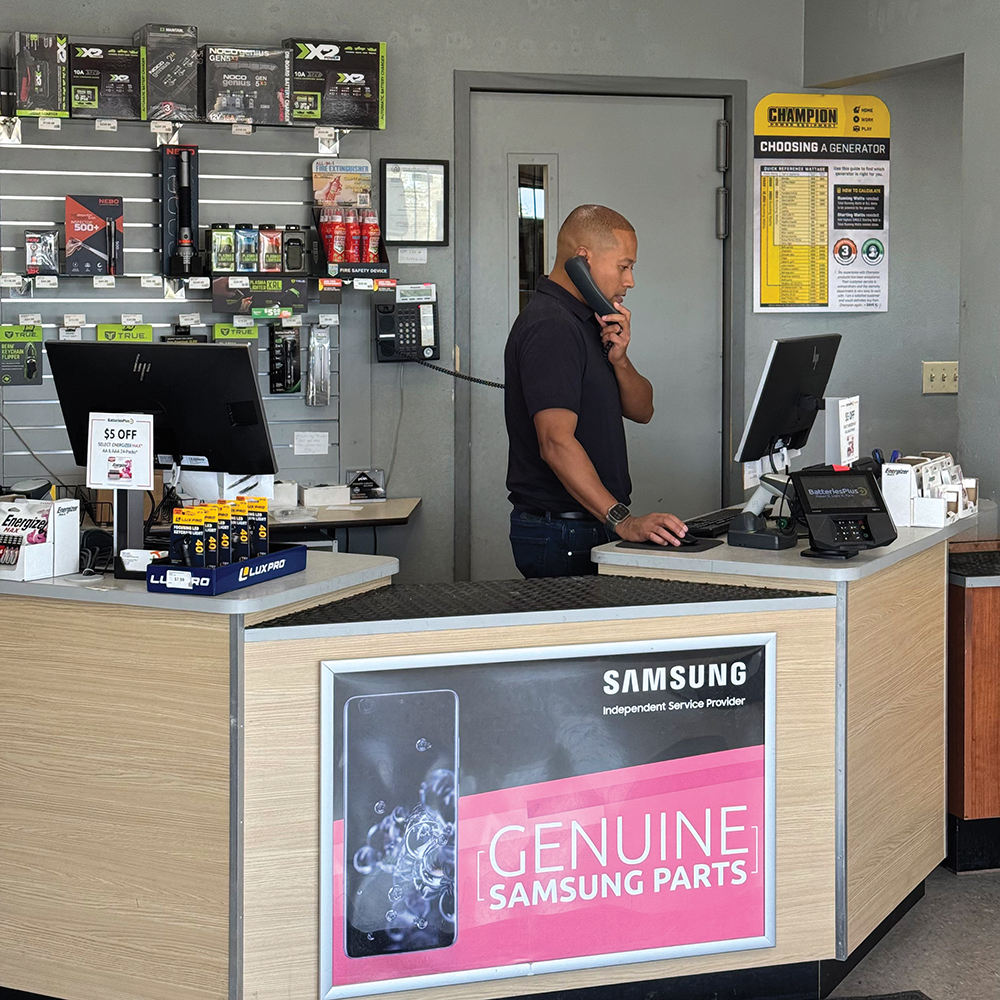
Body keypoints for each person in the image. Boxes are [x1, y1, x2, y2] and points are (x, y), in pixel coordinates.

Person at [504, 204, 688, 578]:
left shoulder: (586, 322)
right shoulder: (552, 327)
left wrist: (620, 360)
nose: (630, 281)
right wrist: (623, 520)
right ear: (582, 261)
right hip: (563, 530)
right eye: (624, 266)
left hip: (584, 523)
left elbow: (643, 410)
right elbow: (555, 442)